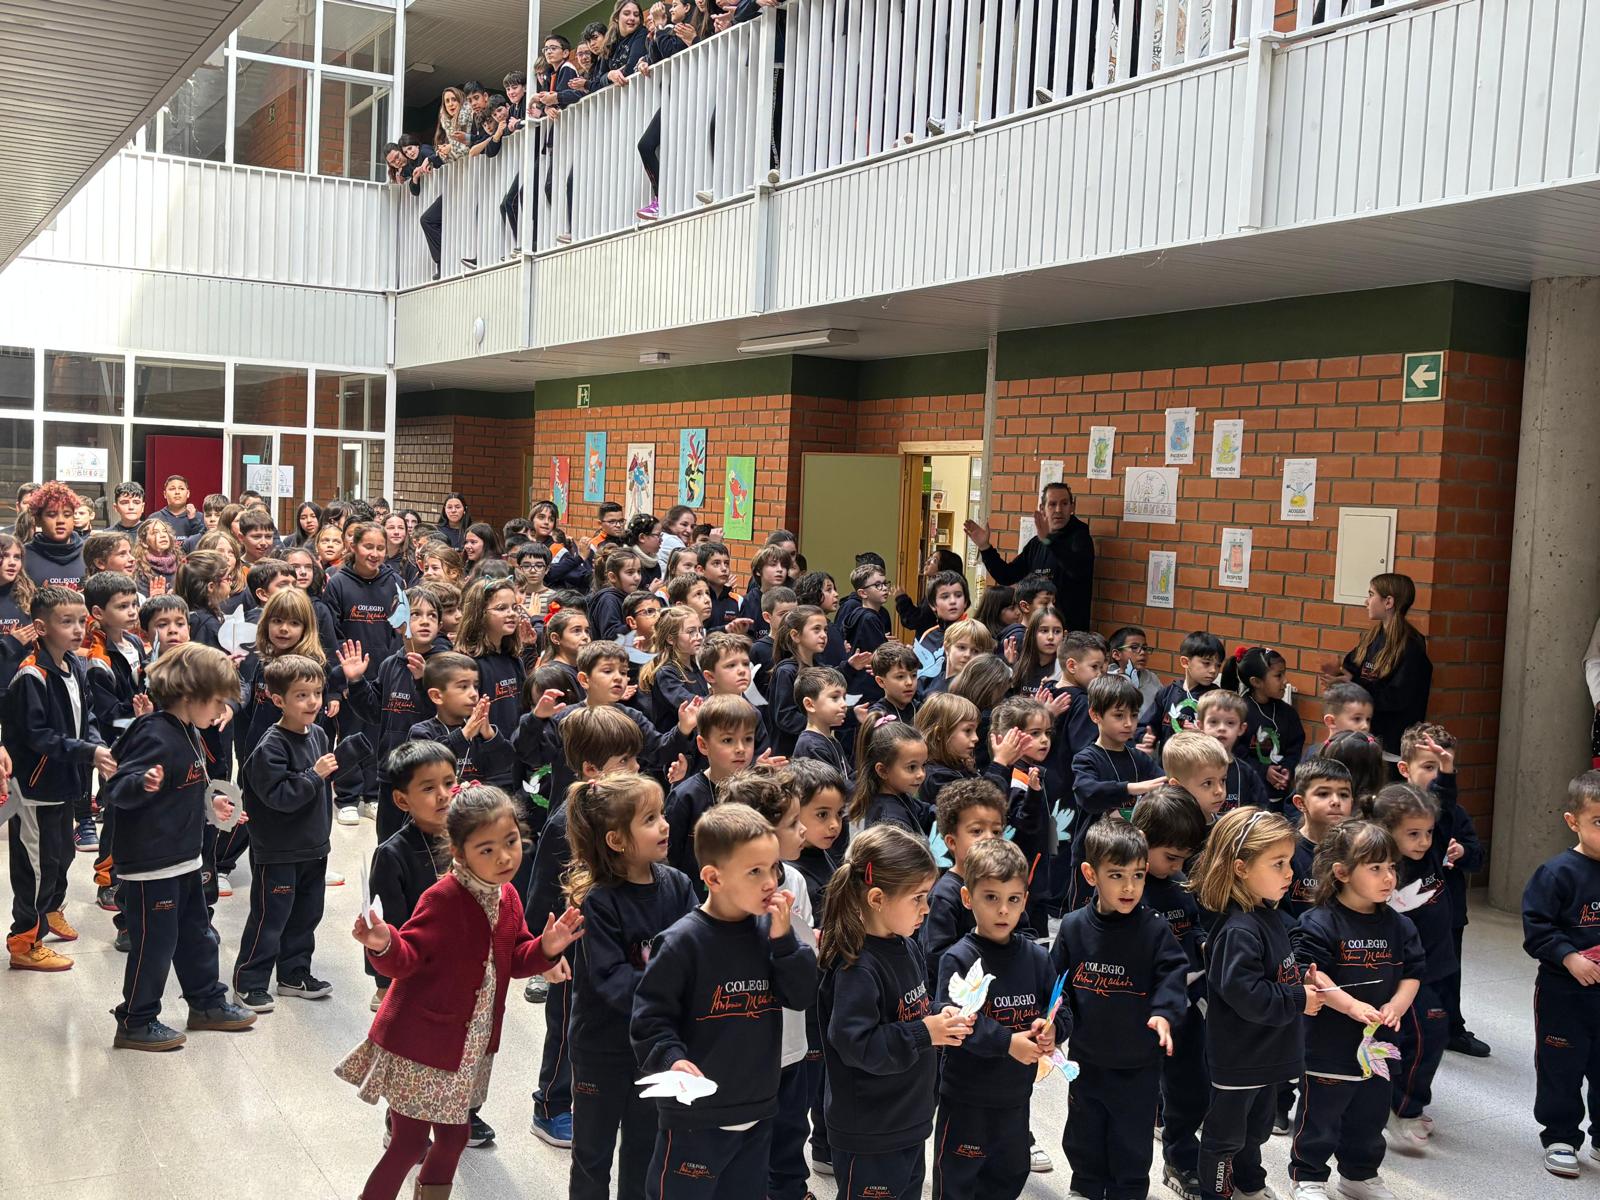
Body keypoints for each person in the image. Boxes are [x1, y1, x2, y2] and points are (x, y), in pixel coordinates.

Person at [343, 784, 584, 1200]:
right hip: (421, 1047)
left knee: (453, 1140)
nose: (505, 857)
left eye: (511, 842)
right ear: (459, 852)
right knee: (409, 1143)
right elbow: (407, 958)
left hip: (466, 1049)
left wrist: (546, 949)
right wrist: (383, 940)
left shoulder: (506, 895)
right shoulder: (443, 898)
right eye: (486, 850)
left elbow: (515, 956)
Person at [631, 801, 819, 1197]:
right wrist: (671, 1058)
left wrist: (786, 942)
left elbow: (801, 995)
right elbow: (650, 1020)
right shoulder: (682, 943)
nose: (771, 882)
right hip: (695, 1118)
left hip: (757, 1109)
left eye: (773, 868)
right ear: (713, 878)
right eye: (755, 872)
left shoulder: (773, 932)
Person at [102, 643, 257, 1048]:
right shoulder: (152, 733)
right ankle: (135, 1021)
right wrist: (141, 783)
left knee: (197, 934)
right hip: (152, 865)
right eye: (218, 700)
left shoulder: (187, 730)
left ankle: (206, 1003)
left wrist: (213, 803)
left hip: (184, 857)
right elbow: (115, 788)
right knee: (156, 945)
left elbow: (188, 785)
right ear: (191, 696)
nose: (221, 709)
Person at [565, 770, 696, 1200]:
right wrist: (667, 998)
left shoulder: (677, 886)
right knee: (592, 1154)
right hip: (601, 1050)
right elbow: (611, 980)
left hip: (651, 1051)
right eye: (650, 819)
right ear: (617, 840)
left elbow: (698, 948)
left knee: (644, 1150)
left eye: (662, 815)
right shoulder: (599, 902)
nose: (665, 825)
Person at [818, 823, 969, 1197]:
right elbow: (856, 1044)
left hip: (908, 1119)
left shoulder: (906, 944)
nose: (926, 908)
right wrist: (925, 1032)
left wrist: (941, 1013)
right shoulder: (857, 966)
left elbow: (911, 1008)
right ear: (876, 899)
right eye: (917, 897)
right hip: (869, 1130)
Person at [1190, 808, 1330, 1200]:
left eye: (1289, 862)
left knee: (1255, 1130)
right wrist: (1298, 998)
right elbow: (1246, 995)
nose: (1290, 873)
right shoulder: (1238, 930)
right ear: (1241, 868)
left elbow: (1269, 978)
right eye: (1279, 863)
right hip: (1240, 1060)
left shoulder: (1267, 915)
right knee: (1224, 1138)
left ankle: (1249, 1183)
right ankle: (1216, 1193)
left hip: (1269, 1055)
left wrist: (1297, 980)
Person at [1050, 816, 1187, 1200]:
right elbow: (1055, 988)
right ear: (1091, 874)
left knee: (1132, 1141)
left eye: (1139, 875)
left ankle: (1128, 1192)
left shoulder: (1155, 929)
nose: (1129, 887)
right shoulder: (1074, 928)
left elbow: (1172, 975)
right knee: (1084, 1132)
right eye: (1117, 875)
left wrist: (1163, 1012)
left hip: (1138, 1066)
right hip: (1087, 1061)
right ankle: (1086, 1188)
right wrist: (1050, 1025)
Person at [1289, 819, 1424, 1200]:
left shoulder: (1400, 926)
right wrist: (1350, 1006)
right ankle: (1308, 1176)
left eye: (1391, 867)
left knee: (1370, 1116)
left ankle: (1359, 1175)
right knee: (1321, 1115)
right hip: (1328, 1044)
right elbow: (1312, 975)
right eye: (1376, 867)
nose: (1388, 877)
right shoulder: (1318, 922)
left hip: (1379, 1044)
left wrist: (1396, 1006)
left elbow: (1413, 973)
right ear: (1342, 872)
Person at [933, 837, 1068, 1199]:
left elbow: (1061, 1005)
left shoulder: (1037, 958)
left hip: (1016, 1098)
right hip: (966, 1100)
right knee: (959, 1182)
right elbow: (955, 1019)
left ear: (1025, 900)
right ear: (968, 899)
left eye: (1012, 899)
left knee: (1009, 1175)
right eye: (991, 897)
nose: (1003, 910)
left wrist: (1052, 1029)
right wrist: (1007, 1042)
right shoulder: (958, 959)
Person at [3, 586, 112, 971]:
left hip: (64, 783)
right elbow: (38, 737)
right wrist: (88, 752)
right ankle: (23, 942)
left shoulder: (76, 666)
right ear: (40, 627)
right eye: (67, 622)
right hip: (33, 788)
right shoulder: (31, 676)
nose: (78, 629)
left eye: (82, 621)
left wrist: (96, 748)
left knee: (62, 855)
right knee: (35, 865)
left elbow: (89, 720)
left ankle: (50, 911)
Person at [230, 654, 340, 1013]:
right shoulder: (270, 746)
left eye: (317, 693)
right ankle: (249, 982)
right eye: (301, 695)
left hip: (312, 846)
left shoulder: (320, 734)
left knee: (306, 915)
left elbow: (321, 789)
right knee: (270, 918)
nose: (312, 702)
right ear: (278, 701)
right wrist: (314, 774)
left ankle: (294, 974)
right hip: (278, 850)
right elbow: (278, 797)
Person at [1128, 786, 1212, 1199]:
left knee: (1190, 1088)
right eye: (1172, 858)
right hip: (1142, 1009)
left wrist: (1202, 945)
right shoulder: (1127, 889)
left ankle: (1180, 1157)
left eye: (1184, 858)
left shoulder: (1180, 885)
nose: (1178, 866)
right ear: (1142, 841)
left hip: (1186, 1007)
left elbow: (1193, 926)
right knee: (1136, 1094)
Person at [1363, 781, 1453, 1145]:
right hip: (1406, 975)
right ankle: (1403, 1107)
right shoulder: (1385, 870)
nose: (1424, 841)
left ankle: (1395, 1100)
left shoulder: (1429, 856)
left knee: (1428, 1035)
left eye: (1428, 832)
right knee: (1426, 1035)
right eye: (1413, 834)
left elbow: (1447, 809)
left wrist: (1445, 772)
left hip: (1440, 966)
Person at [1521, 769, 1600, 1178]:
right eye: (1599, 822)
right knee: (1561, 1065)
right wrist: (1570, 957)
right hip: (1562, 994)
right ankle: (1561, 1136)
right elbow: (1537, 928)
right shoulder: (1556, 873)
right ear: (1574, 822)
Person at [1067, 674, 1165, 909]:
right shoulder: (1086, 758)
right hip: (1090, 856)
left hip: (1129, 858)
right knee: (1088, 916)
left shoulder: (1138, 758)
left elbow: (1163, 784)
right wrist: (1130, 788)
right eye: (1118, 716)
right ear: (1095, 715)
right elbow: (1087, 793)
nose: (1128, 723)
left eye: (1133, 715)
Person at [964, 482, 1095, 631]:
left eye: (1064, 503)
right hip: (1037, 631)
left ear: (1072, 507)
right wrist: (985, 547)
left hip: (1068, 634)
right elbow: (1006, 576)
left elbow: (1076, 569)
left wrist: (1050, 540)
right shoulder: (1037, 544)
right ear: (1042, 509)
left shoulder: (1081, 538)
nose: (1058, 509)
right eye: (1052, 504)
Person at [1328, 574, 1432, 759]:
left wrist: (1355, 683)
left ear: (1388, 602)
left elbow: (1396, 697)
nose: (1366, 602)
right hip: (1364, 739)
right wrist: (1338, 675)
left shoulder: (1411, 647)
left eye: (1371, 594)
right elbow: (1352, 668)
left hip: (1392, 747)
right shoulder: (1371, 638)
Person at [919, 777, 1007, 993]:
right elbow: (937, 957)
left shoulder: (1004, 885)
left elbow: (1024, 931)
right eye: (977, 831)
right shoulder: (945, 894)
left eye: (996, 831)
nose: (989, 839)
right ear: (951, 841)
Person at [1223, 645, 1304, 813]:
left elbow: (1295, 746)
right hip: (1247, 797)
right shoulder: (1239, 712)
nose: (1285, 681)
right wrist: (1263, 770)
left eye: (1284, 673)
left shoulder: (1288, 714)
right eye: (1278, 676)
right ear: (1256, 682)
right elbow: (1234, 751)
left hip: (1279, 796)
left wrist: (1287, 769)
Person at [1137, 630, 1225, 761]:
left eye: (1217, 665)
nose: (1213, 670)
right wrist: (1145, 736)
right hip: (1166, 768)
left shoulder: (1217, 698)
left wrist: (1204, 735)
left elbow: (1224, 736)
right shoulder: (1167, 693)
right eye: (1206, 663)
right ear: (1185, 662)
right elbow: (1147, 725)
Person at [1197, 690, 1269, 815]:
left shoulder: (1247, 773)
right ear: (1201, 726)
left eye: (1230, 723)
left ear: (1241, 728)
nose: (1221, 728)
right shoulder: (1191, 767)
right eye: (1213, 722)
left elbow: (1262, 812)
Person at [23, 481, 87, 590]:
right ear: (37, 520)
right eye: (51, 515)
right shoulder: (22, 556)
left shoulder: (89, 554)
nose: (60, 521)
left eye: (67, 515)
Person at [151, 474, 204, 539]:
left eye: (181, 489)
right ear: (165, 494)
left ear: (188, 493)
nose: (177, 492)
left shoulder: (200, 517)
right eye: (172, 489)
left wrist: (193, 520)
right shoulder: (154, 518)